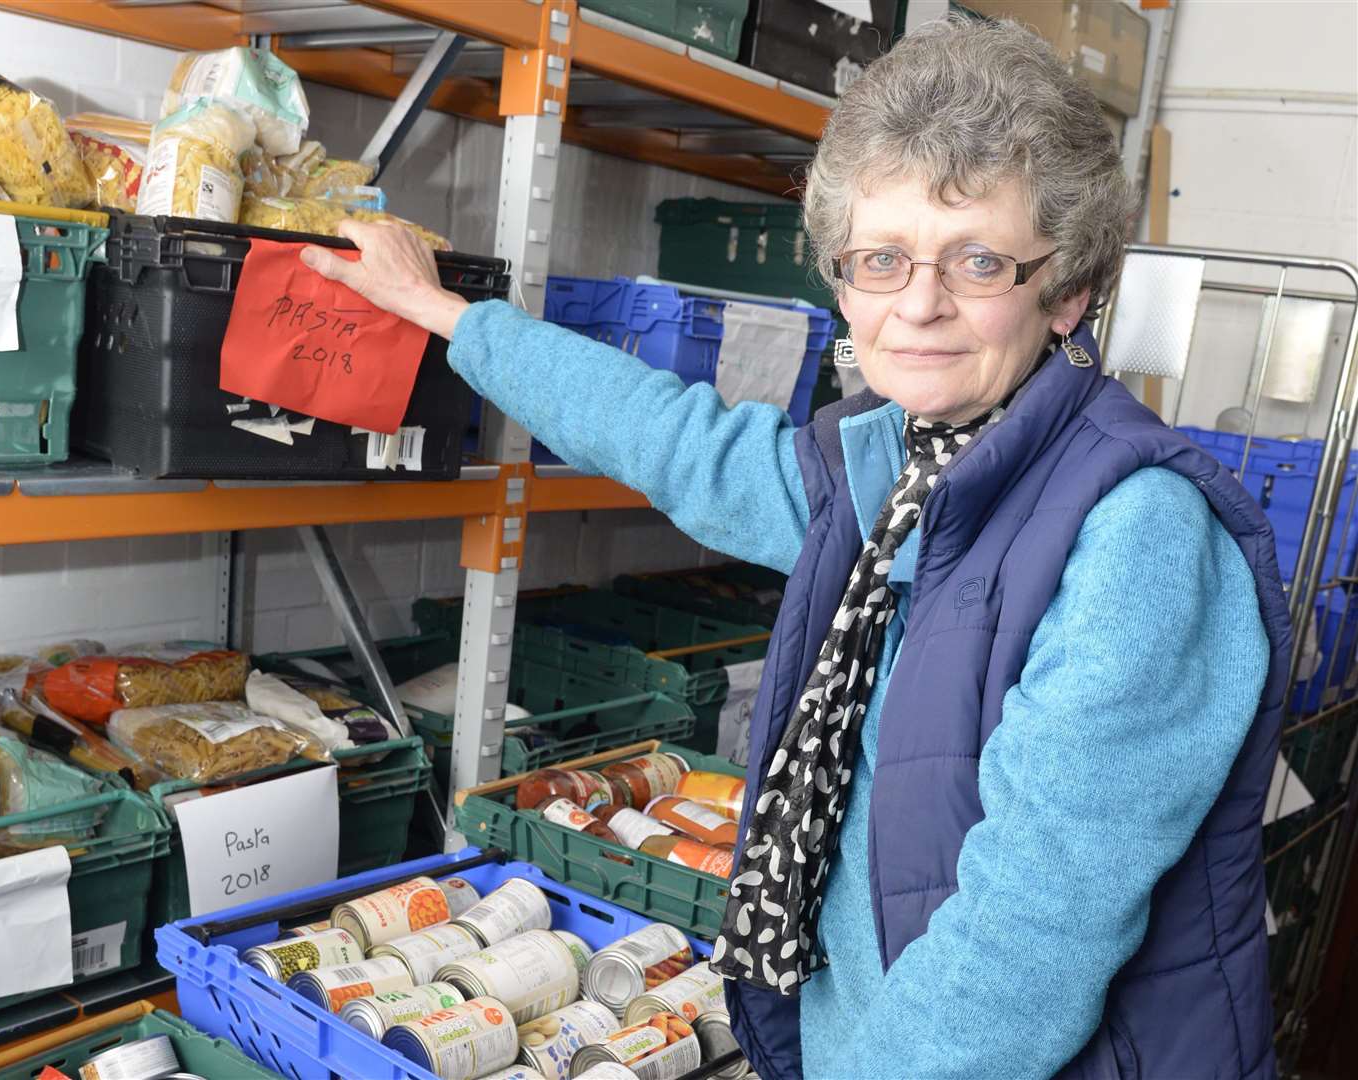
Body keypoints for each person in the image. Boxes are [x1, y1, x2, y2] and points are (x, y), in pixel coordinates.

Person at [302, 17, 1290, 1079]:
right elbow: (671, 438)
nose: (917, 303)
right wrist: (444, 314)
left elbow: (1020, 956)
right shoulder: (895, 478)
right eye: (880, 259)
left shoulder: (1135, 537)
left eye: (977, 260)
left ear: (1068, 292)